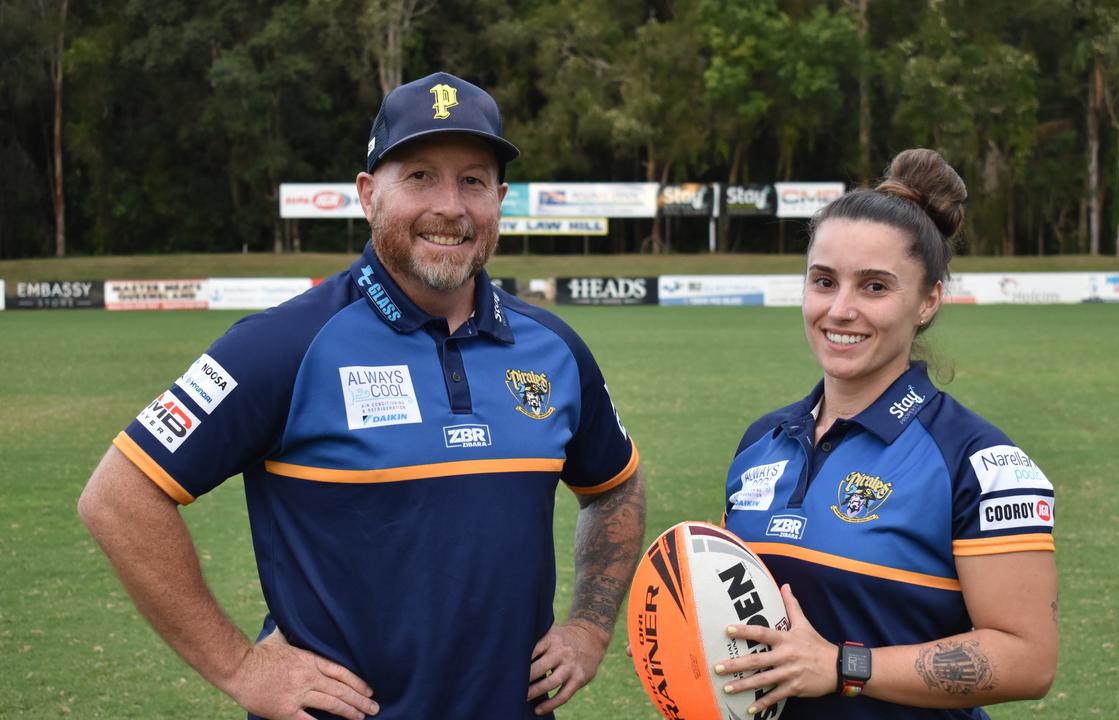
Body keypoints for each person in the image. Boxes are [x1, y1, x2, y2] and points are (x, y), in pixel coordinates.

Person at [78, 71, 646, 720]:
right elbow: (120, 496)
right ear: (369, 195)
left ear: (500, 199)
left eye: (473, 180)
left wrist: (590, 628)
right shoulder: (284, 344)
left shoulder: (555, 349)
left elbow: (616, 487)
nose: (451, 207)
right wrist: (240, 667)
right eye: (421, 176)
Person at [712, 149, 1057, 718]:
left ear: (928, 302)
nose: (840, 309)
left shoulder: (977, 461)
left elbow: (1029, 659)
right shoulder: (761, 442)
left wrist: (842, 667)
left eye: (875, 287)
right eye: (824, 281)